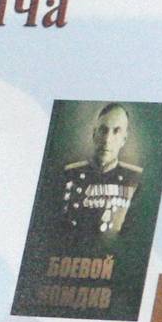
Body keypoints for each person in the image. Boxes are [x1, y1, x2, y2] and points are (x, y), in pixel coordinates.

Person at [56, 102, 142, 240]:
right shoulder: (69, 175)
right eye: (103, 130)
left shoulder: (134, 180)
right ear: (94, 134)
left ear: (124, 139)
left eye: (116, 131)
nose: (107, 139)